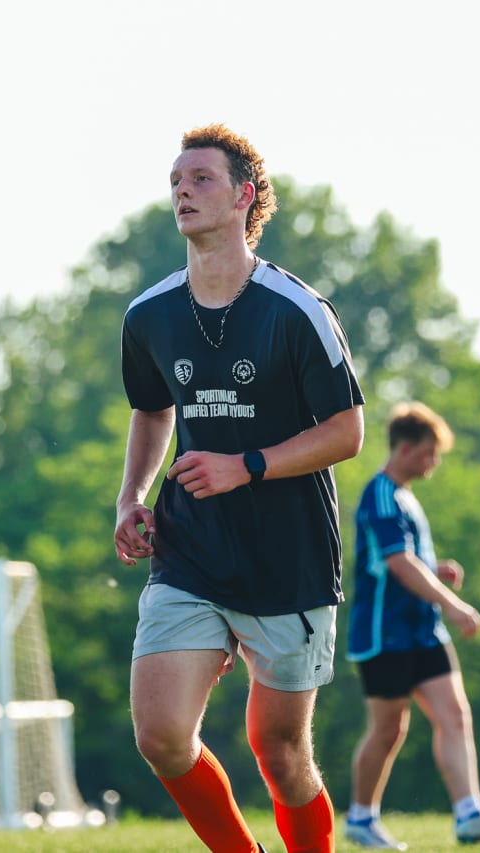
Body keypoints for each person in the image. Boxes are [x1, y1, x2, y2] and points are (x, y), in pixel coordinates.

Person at [114, 124, 365, 853]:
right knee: (162, 735)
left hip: (289, 559)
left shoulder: (298, 310)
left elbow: (346, 431)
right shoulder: (149, 314)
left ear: (242, 197)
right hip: (190, 551)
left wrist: (244, 464)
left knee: (279, 751)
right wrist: (132, 495)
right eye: (175, 181)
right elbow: (153, 407)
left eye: (200, 179)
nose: (182, 192)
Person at [344, 402, 480, 848]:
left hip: (423, 631)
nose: (434, 463)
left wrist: (435, 568)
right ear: (405, 449)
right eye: (429, 453)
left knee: (455, 715)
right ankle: (361, 819)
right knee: (388, 730)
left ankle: (469, 814)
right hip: (384, 634)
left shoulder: (405, 496)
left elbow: (408, 562)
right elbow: (398, 564)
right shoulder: (381, 494)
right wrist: (455, 604)